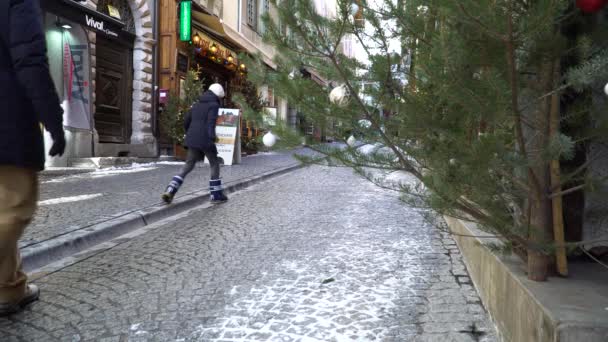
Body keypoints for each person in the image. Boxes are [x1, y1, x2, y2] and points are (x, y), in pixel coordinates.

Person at [0, 0, 66, 316]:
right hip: (6, 121)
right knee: (13, 207)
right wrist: (53, 120)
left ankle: (9, 289)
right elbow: (29, 61)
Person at [162, 84, 228, 204]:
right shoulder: (214, 105)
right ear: (218, 95)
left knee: (188, 164)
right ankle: (216, 195)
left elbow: (186, 120)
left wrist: (190, 133)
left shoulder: (196, 104)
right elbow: (210, 122)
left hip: (192, 139)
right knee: (214, 164)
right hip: (206, 139)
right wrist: (212, 136)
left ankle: (170, 189)